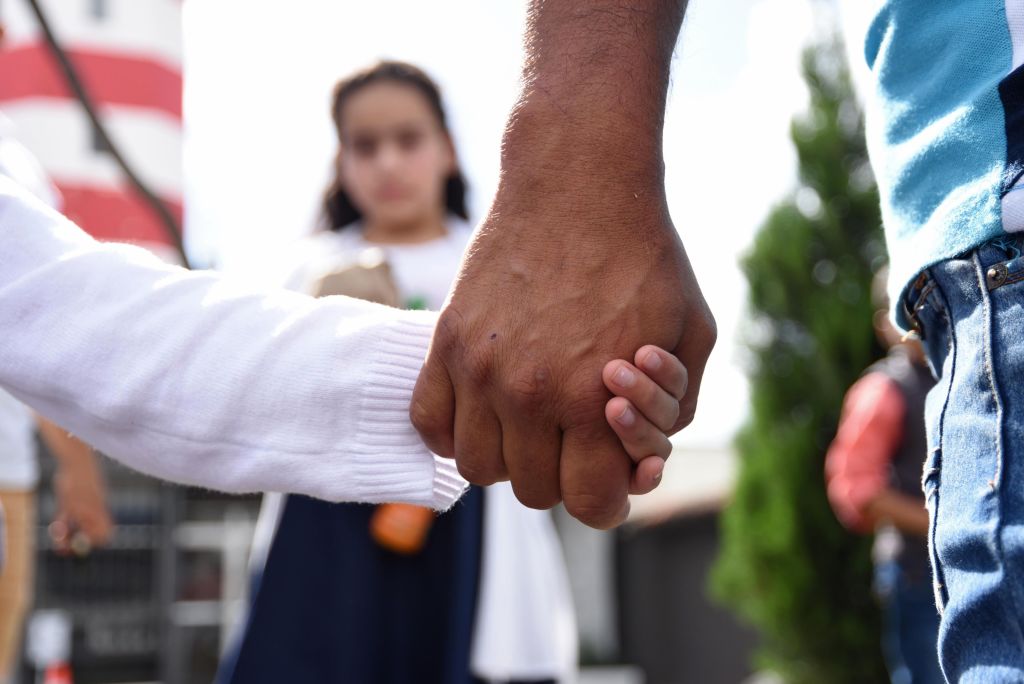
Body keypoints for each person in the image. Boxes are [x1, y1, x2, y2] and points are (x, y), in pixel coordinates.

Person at [223, 61, 577, 684]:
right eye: (365, 145)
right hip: (328, 529)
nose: (387, 162)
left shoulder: (500, 264)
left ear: (447, 149)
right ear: (341, 161)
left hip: (469, 514)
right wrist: (319, 321)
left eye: (408, 139)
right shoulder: (305, 269)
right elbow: (252, 396)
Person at [826, 271, 941, 684]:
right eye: (905, 310)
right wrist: (940, 524)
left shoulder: (958, 377)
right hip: (916, 573)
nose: (919, 320)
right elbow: (859, 491)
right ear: (883, 325)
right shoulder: (884, 390)